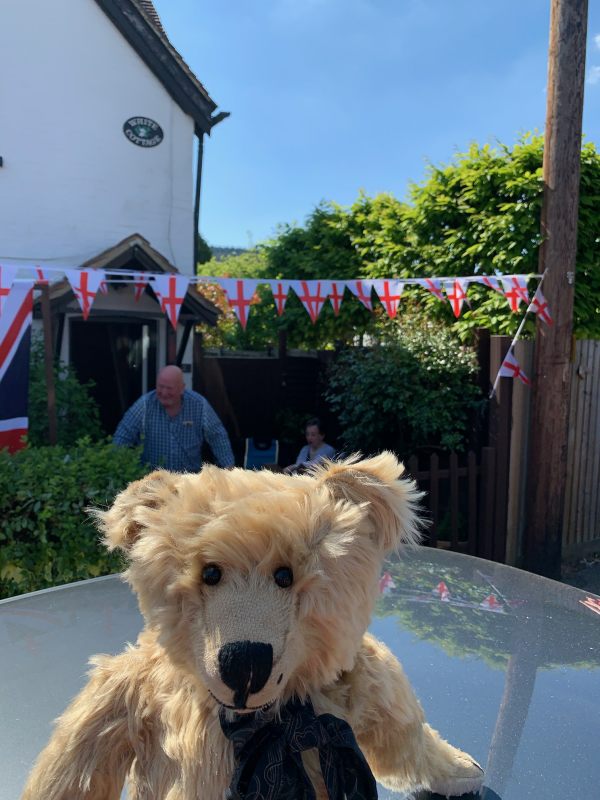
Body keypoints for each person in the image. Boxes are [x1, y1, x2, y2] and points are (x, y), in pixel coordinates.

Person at [113, 365, 234, 472]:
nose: (164, 392)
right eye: (160, 387)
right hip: (152, 483)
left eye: (169, 388)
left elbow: (217, 436)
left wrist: (228, 469)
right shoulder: (145, 404)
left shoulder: (199, 404)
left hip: (188, 482)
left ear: (182, 388)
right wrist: (117, 468)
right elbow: (123, 434)